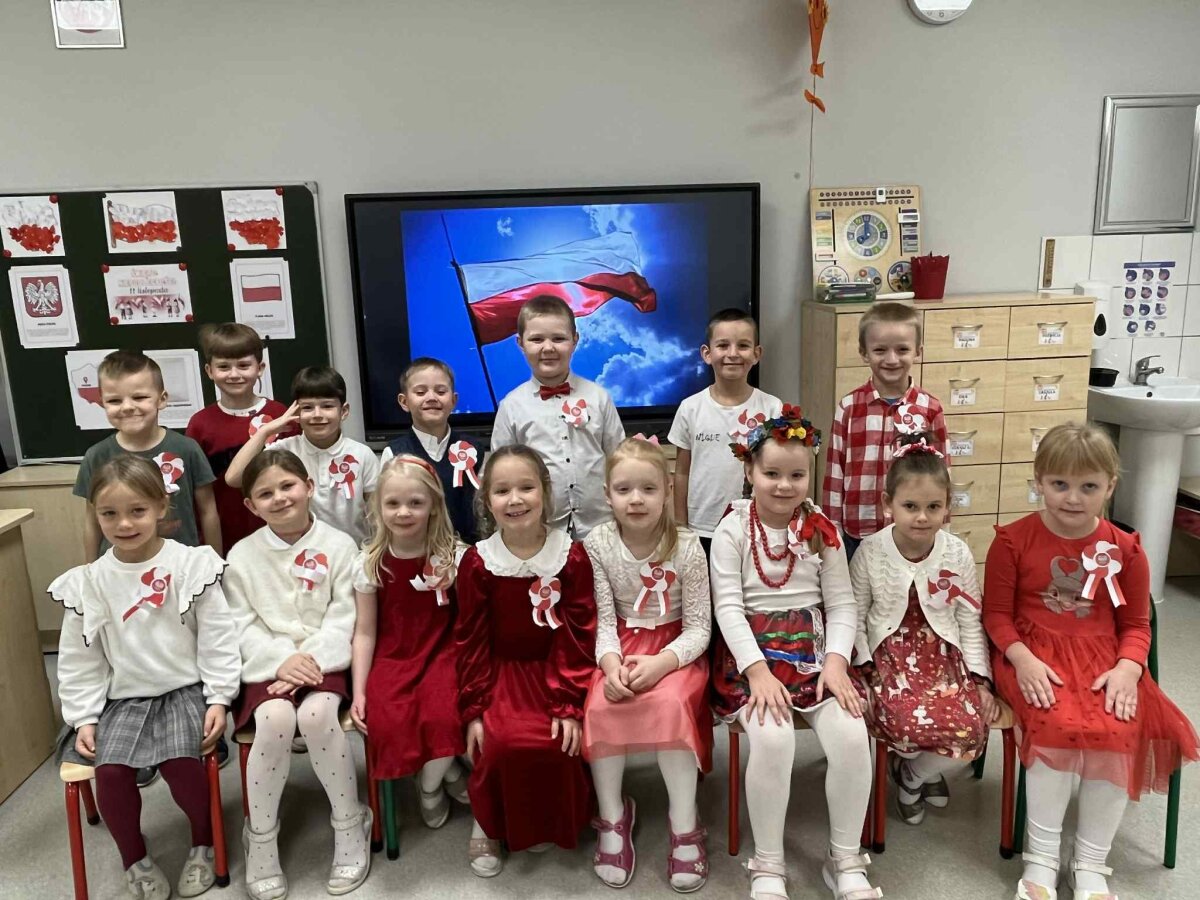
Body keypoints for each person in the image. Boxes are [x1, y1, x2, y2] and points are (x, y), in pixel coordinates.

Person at [984, 422, 1198, 900]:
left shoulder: (1126, 550)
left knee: (1118, 729)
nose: (1073, 498)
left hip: (1105, 660)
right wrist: (1022, 659)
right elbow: (996, 615)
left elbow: (1137, 625)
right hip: (1030, 655)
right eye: (1059, 484)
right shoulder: (1012, 541)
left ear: (1110, 486)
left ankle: (1091, 862)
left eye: (1088, 486)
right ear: (1039, 481)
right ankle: (1041, 858)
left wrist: (1128, 669)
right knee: (1054, 722)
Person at [710, 405, 880, 900]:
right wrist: (757, 672)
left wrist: (837, 662)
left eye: (797, 475)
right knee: (774, 739)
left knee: (852, 736)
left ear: (811, 475)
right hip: (751, 659)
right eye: (772, 474)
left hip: (814, 653)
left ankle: (844, 857)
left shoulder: (822, 529)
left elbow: (842, 604)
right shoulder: (732, 530)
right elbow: (728, 608)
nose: (784, 486)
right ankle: (768, 862)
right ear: (749, 471)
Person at [52, 455, 239, 900]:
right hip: (124, 698)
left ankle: (202, 841)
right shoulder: (89, 582)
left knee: (181, 763)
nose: (123, 524)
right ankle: (134, 858)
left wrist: (218, 697)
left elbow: (218, 638)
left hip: (184, 690)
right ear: (96, 515)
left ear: (160, 506)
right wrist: (83, 717)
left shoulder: (190, 565)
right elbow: (80, 659)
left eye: (137, 510)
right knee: (112, 771)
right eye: (109, 513)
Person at [224, 449, 371, 899]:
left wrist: (309, 660)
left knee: (316, 715)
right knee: (275, 720)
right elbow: (240, 623)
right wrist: (279, 660)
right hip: (267, 665)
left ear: (308, 486)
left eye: (287, 486)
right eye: (265, 494)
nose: (280, 498)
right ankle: (260, 836)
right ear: (250, 505)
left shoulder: (340, 545)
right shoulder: (241, 555)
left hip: (324, 660)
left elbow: (345, 615)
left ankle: (350, 822)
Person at [74, 349, 223, 786]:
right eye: (115, 400)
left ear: (162, 398)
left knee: (192, 647)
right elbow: (90, 519)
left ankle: (205, 724)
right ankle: (135, 742)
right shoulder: (97, 456)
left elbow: (207, 509)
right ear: (102, 403)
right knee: (135, 649)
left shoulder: (185, 448)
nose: (128, 407)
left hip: (183, 573)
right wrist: (88, 570)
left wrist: (216, 565)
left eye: (139, 396)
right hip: (124, 574)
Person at [454, 445, 597, 877]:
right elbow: (471, 638)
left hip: (557, 669)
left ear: (545, 492)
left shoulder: (571, 555)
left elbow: (578, 633)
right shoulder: (478, 561)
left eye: (526, 488)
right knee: (499, 744)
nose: (515, 500)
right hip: (500, 671)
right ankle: (487, 820)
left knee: (558, 742)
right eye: (502, 491)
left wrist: (567, 703)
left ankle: (550, 820)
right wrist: (475, 707)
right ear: (487, 500)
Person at [582, 436, 713, 891]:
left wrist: (660, 664)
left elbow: (700, 627)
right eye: (624, 490)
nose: (635, 499)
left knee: (670, 705)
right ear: (607, 495)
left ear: (667, 491)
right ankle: (613, 817)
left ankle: (684, 822)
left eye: (648, 489)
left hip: (675, 649)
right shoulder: (597, 544)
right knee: (600, 706)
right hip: (619, 645)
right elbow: (602, 621)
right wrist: (610, 665)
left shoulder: (688, 546)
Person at [849, 433, 996, 827]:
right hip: (888, 660)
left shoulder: (956, 552)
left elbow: (969, 619)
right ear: (888, 504)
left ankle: (911, 775)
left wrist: (981, 679)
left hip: (943, 660)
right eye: (910, 506)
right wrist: (862, 669)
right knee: (903, 724)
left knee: (971, 730)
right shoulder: (870, 551)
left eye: (933, 507)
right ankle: (916, 769)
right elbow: (856, 616)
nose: (922, 517)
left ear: (947, 507)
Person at [350, 455, 469, 830]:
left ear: (433, 505)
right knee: (388, 719)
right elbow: (365, 632)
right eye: (393, 503)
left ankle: (430, 785)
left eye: (415, 502)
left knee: (444, 715)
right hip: (394, 654)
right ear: (378, 507)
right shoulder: (370, 563)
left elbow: (469, 621)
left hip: (445, 651)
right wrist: (359, 691)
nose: (403, 512)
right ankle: (451, 771)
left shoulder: (456, 558)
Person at [490, 295, 624, 539]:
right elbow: (500, 474)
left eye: (559, 338)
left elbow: (619, 461)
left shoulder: (599, 397)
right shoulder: (511, 406)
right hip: (540, 531)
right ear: (520, 343)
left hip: (600, 528)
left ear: (575, 340)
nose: (548, 348)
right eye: (537, 339)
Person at [822, 302, 947, 559]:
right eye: (880, 350)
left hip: (911, 531)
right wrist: (832, 531)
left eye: (902, 349)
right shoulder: (849, 407)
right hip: (857, 531)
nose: (891, 359)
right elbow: (835, 472)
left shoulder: (930, 409)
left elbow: (942, 474)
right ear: (864, 353)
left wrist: (943, 528)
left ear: (918, 351)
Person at [669, 307, 782, 553]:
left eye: (743, 345)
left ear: (756, 354)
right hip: (701, 529)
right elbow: (682, 473)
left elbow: (779, 471)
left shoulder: (773, 408)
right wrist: (680, 526)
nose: (733, 354)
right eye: (723, 345)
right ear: (707, 353)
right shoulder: (690, 408)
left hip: (755, 526)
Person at [226, 366, 380, 545]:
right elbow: (233, 478)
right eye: (307, 407)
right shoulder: (283, 451)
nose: (317, 415)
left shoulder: (362, 454)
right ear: (296, 412)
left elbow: (377, 514)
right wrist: (265, 431)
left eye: (327, 406)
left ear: (343, 411)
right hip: (299, 553)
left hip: (354, 552)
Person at [186, 323, 296, 551]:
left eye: (244, 365)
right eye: (223, 367)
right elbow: (199, 495)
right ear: (209, 371)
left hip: (281, 536)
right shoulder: (200, 424)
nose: (234, 374)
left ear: (260, 368)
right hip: (224, 538)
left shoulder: (280, 415)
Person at [379, 357, 479, 542]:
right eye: (420, 392)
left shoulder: (473, 449)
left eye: (441, 391)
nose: (432, 398)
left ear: (454, 400)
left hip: (469, 549)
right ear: (404, 401)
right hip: (416, 549)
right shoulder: (394, 454)